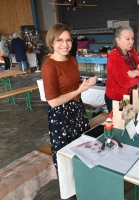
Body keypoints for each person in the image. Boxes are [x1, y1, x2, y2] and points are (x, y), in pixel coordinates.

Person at [41, 23, 97, 169]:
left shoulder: (72, 60)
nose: (65, 44)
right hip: (61, 115)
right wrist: (79, 91)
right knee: (66, 156)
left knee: (83, 150)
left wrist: (85, 85)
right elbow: (53, 102)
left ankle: (83, 181)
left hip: (77, 109)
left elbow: (74, 87)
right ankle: (69, 190)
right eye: (60, 40)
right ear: (51, 42)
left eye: (68, 40)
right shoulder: (49, 66)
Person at [105, 26, 139, 112]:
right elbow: (124, 81)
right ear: (118, 40)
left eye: (132, 39)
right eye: (128, 39)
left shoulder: (131, 52)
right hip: (117, 99)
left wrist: (135, 72)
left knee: (130, 121)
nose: (131, 42)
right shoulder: (114, 55)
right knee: (120, 123)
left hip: (130, 95)